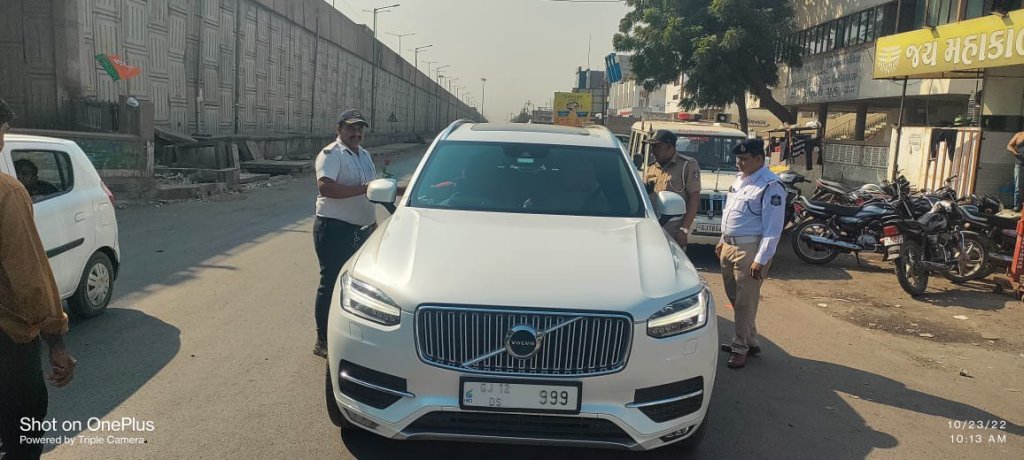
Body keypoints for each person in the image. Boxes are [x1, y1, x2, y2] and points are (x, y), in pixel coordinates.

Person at [0, 97, 77, 460]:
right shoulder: (7, 194)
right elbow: (30, 278)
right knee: (22, 436)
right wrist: (57, 345)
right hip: (7, 344)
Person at [311, 109, 384, 358]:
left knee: (355, 285)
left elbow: (372, 189)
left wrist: (372, 222)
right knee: (331, 283)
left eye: (360, 129)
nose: (356, 133)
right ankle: (323, 340)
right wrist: (364, 189)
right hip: (335, 229)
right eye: (351, 128)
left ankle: (350, 336)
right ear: (339, 129)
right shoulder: (332, 154)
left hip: (361, 229)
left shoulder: (364, 155)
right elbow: (326, 188)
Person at [716, 138, 785, 369]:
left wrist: (761, 259)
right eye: (738, 158)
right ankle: (751, 339)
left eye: (744, 159)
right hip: (729, 246)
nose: (739, 163)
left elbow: (773, 228)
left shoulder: (770, 185)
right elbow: (731, 213)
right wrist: (722, 240)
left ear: (759, 159)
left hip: (750, 249)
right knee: (735, 298)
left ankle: (740, 347)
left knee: (745, 301)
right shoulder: (740, 179)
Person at [642, 129, 701, 248]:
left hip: (673, 233)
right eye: (652, 147)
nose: (653, 151)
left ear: (670, 147)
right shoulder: (652, 167)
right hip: (651, 229)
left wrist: (684, 229)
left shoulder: (687, 165)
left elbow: (694, 199)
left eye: (657, 147)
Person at [1007, 130, 1024, 212]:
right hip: (1019, 164)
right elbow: (1009, 146)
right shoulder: (1019, 135)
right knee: (1018, 186)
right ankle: (1017, 206)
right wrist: (1014, 152)